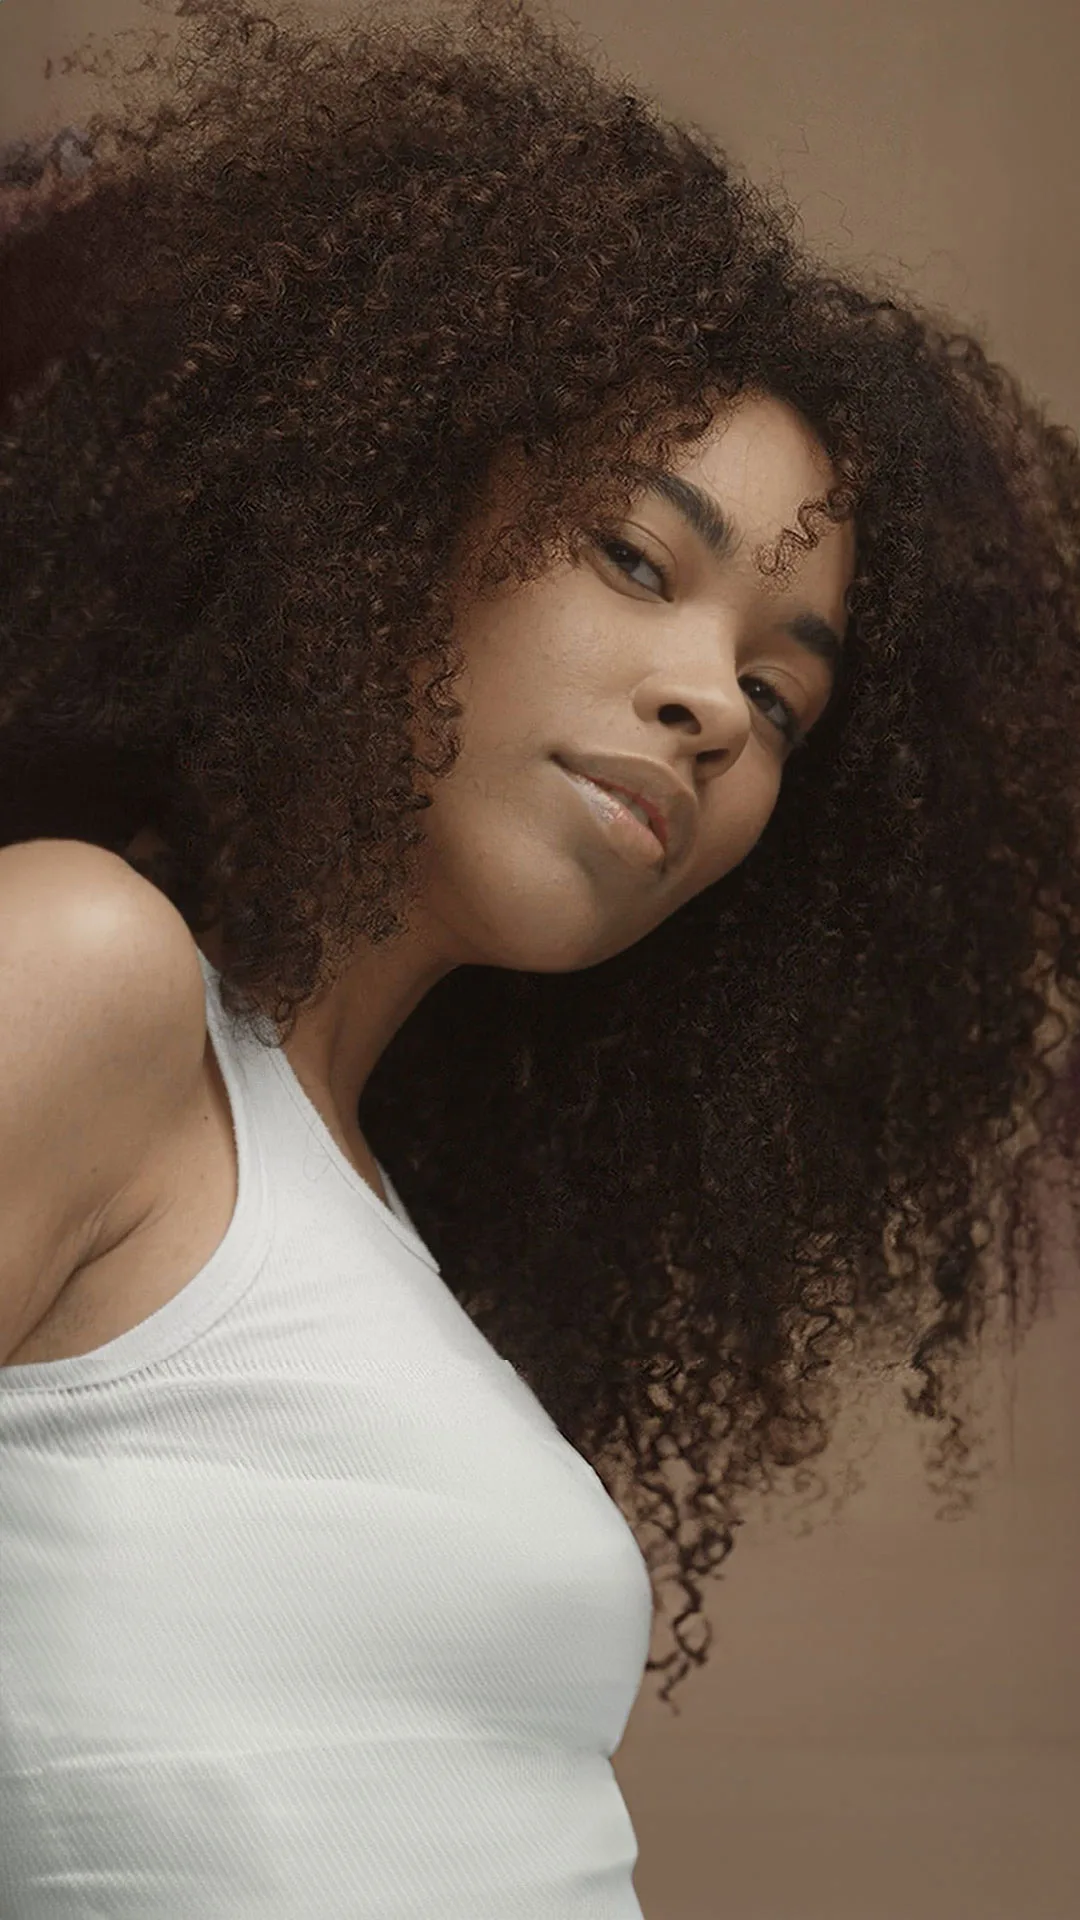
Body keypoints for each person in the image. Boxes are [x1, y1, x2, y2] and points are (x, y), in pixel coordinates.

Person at [1, 0, 1078, 1913]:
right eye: (641, 563)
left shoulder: (367, 1213)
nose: (716, 713)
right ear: (389, 509)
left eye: (779, 695)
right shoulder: (85, 965)